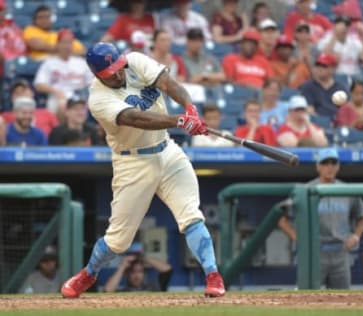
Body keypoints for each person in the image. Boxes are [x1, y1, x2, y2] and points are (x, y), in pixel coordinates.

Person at [60, 42, 225, 299]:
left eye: (118, 67)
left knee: (191, 215)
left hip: (167, 151)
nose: (117, 74)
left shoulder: (135, 61)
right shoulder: (98, 99)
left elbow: (169, 84)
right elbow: (136, 119)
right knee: (118, 240)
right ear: (96, 75)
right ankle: (89, 273)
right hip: (132, 163)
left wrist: (190, 109)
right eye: (109, 72)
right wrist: (179, 121)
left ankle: (213, 275)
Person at [277, 147, 363, 289]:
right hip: (314, 253)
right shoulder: (306, 190)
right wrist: (297, 237)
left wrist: (356, 236)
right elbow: (281, 219)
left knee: (342, 300)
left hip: (340, 251)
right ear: (318, 166)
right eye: (325, 163)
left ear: (338, 166)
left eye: (333, 163)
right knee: (307, 298)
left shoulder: (346, 190)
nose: (330, 167)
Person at [33, 29, 93, 117]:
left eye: (69, 43)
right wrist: (55, 91)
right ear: (58, 44)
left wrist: (84, 87)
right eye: (64, 43)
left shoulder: (81, 62)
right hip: (58, 98)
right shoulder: (49, 62)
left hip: (80, 97)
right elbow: (39, 84)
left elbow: (92, 82)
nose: (66, 46)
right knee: (63, 105)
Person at [299, 53, 347, 121]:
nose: (320, 68)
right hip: (317, 123)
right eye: (318, 65)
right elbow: (309, 110)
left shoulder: (340, 88)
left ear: (332, 69)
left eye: (324, 66)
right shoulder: (308, 86)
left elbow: (345, 110)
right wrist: (323, 122)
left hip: (337, 122)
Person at [104, 254, 173, 292]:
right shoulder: (122, 293)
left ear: (144, 273)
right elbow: (107, 291)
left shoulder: (154, 289)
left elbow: (167, 270)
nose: (136, 275)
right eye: (133, 272)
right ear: (126, 274)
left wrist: (142, 258)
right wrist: (122, 267)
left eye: (140, 271)